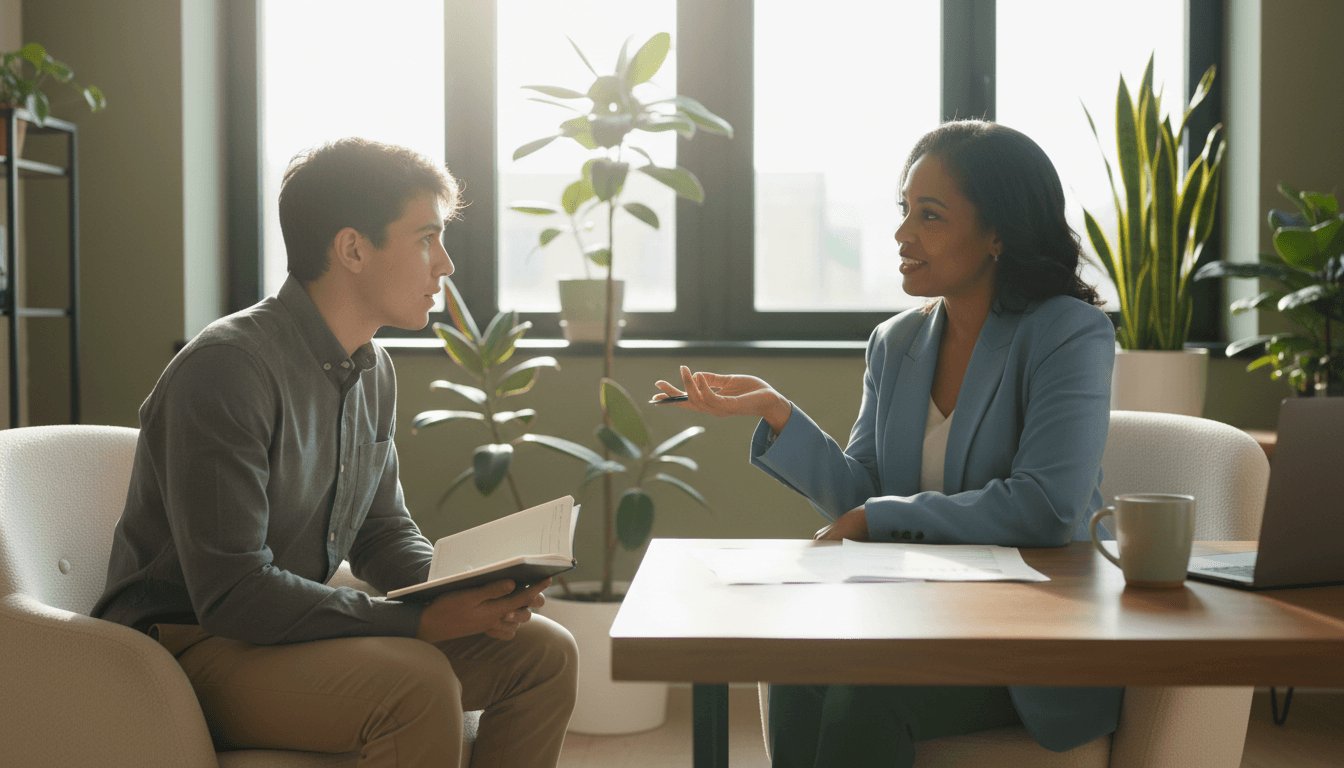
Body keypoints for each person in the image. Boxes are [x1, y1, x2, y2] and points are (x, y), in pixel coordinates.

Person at [92, 138, 578, 767]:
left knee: (545, 653)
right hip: (187, 648)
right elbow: (233, 593)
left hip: (286, 631)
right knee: (417, 686)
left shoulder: (372, 368)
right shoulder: (227, 368)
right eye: (427, 238)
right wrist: (418, 623)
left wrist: (474, 589)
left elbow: (381, 532)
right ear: (352, 249)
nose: (446, 265)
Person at [653, 119, 1121, 767]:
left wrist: (879, 517)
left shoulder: (1069, 333)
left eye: (929, 215)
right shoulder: (895, 342)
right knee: (795, 666)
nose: (902, 234)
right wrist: (776, 411)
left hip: (1027, 642)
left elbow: (1047, 508)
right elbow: (862, 495)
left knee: (861, 697)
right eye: (904, 211)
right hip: (914, 618)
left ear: (997, 233)